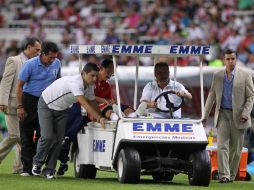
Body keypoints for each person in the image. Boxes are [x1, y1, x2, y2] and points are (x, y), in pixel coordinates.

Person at [56, 58, 135, 176]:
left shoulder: (106, 86)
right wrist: (103, 102)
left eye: (112, 74)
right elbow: (87, 98)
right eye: (108, 72)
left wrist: (111, 102)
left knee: (123, 107)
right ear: (101, 69)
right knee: (70, 132)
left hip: (98, 109)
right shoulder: (89, 83)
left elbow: (108, 100)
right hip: (83, 108)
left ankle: (132, 117)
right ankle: (63, 155)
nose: (109, 75)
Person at [32, 62, 107, 179]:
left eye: (96, 76)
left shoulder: (91, 86)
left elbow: (92, 101)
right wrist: (99, 118)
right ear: (83, 73)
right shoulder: (76, 83)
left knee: (59, 140)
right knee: (47, 136)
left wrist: (101, 117)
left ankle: (49, 170)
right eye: (92, 75)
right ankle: (37, 163)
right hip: (46, 104)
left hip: (62, 110)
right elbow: (85, 103)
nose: (95, 78)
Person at [202, 49, 254, 183]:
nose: (231, 61)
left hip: (239, 116)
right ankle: (224, 175)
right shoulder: (218, 75)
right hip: (223, 113)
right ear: (224, 60)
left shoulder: (246, 75)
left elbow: (251, 97)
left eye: (233, 59)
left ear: (236, 59)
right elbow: (211, 96)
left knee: (236, 149)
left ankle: (231, 175)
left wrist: (245, 114)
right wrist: (205, 116)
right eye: (228, 59)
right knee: (222, 146)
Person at [16, 41, 61, 176]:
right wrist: (20, 106)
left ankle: (36, 165)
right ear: (42, 54)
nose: (52, 60)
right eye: (50, 57)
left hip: (47, 102)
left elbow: (58, 82)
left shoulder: (57, 63)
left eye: (54, 57)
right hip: (29, 100)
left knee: (43, 136)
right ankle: (26, 169)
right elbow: (19, 86)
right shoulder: (29, 65)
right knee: (26, 136)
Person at [0, 37, 41, 174]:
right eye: (37, 49)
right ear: (28, 47)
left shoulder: (36, 63)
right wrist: (2, 101)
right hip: (11, 104)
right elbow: (6, 81)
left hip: (26, 105)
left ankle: (18, 168)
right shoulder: (14, 60)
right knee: (14, 135)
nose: (39, 53)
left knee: (23, 137)